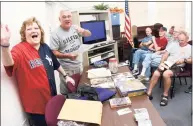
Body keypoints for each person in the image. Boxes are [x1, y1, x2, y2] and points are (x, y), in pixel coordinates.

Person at [1, 17, 75, 126]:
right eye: (29, 29)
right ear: (24, 34)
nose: (34, 30)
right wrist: (4, 45)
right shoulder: (19, 50)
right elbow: (9, 63)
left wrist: (66, 76)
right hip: (36, 109)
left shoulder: (45, 47)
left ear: (40, 31)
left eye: (36, 28)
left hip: (52, 100)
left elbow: (56, 64)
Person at [49, 10, 91, 95]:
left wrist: (82, 30)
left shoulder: (75, 28)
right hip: (67, 70)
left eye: (69, 16)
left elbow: (89, 34)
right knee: (68, 93)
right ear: (59, 19)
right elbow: (54, 53)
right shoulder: (55, 34)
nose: (67, 19)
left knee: (80, 89)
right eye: (64, 17)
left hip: (79, 65)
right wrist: (67, 56)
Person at [146, 31, 192, 106]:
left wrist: (185, 60)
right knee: (156, 73)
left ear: (187, 39)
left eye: (182, 40)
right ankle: (149, 92)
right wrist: (161, 63)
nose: (180, 42)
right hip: (168, 63)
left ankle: (165, 95)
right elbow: (165, 54)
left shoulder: (190, 48)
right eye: (179, 40)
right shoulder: (174, 44)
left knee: (166, 74)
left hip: (178, 66)